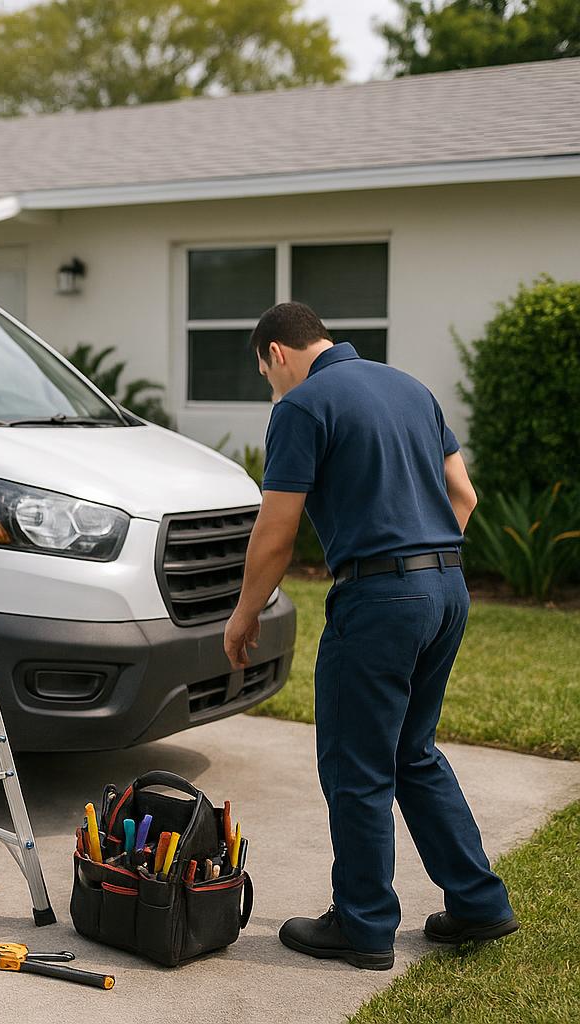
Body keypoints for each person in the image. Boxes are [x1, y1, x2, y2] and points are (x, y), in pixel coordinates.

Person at [222, 302, 517, 972]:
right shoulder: (411, 388)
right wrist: (426, 567)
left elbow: (276, 533)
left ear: (276, 353)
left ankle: (362, 925)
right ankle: (477, 902)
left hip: (380, 598)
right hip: (446, 589)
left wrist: (243, 615)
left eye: (266, 374)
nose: (272, 387)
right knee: (412, 751)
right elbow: (463, 496)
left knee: (357, 767)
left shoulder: (303, 404)